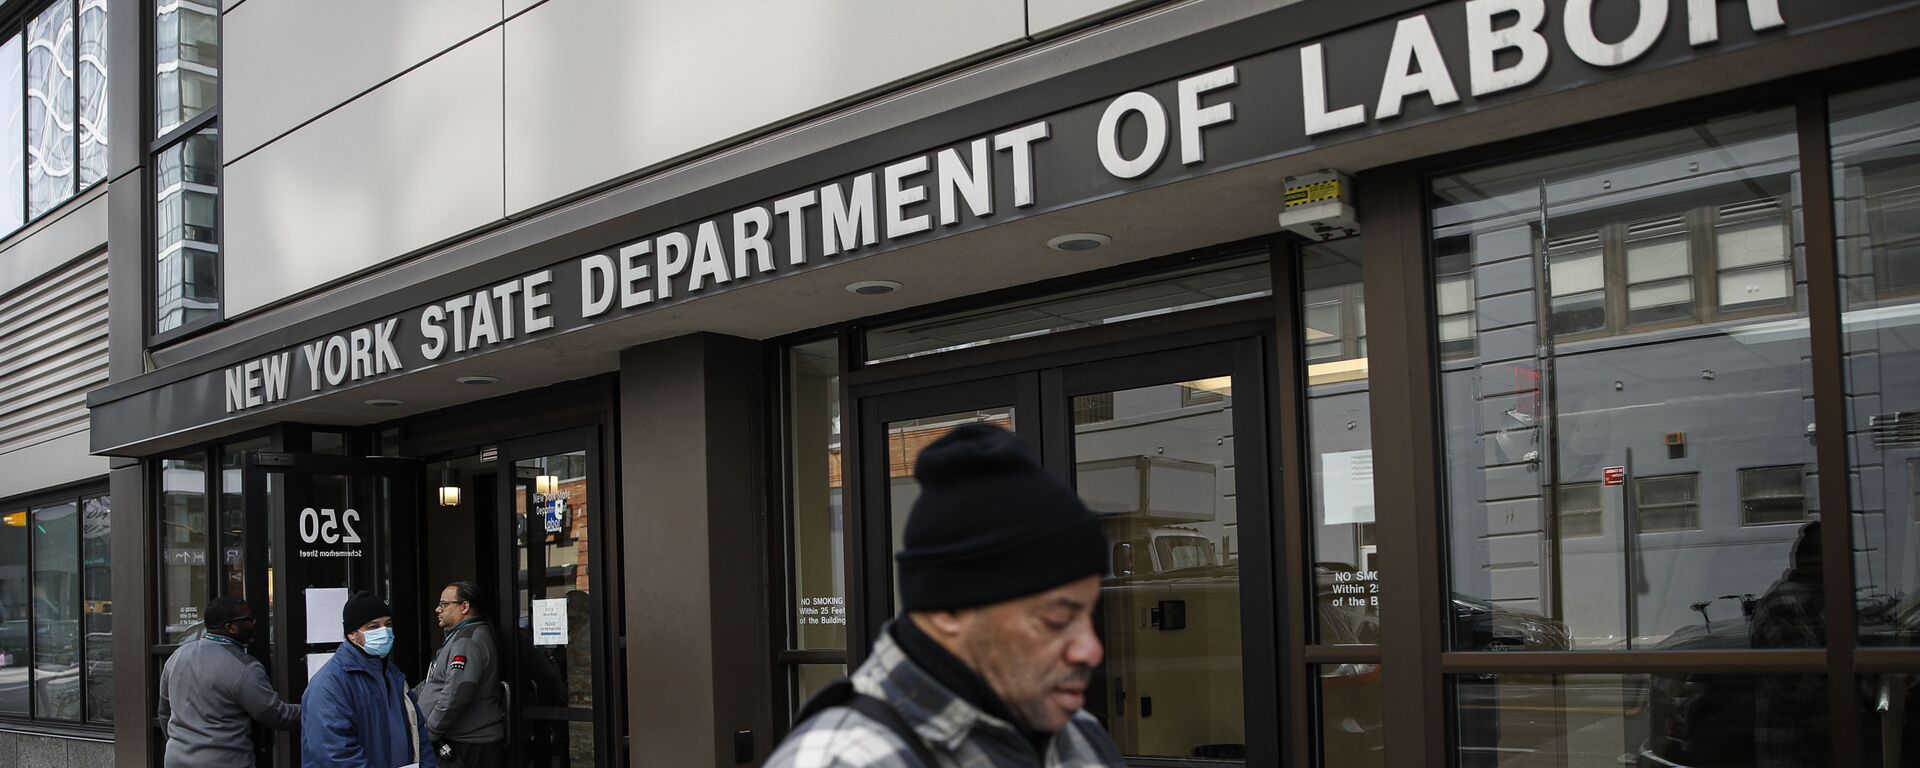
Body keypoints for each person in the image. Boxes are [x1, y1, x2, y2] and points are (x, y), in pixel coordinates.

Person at [767, 423, 1124, 767]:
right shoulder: (843, 759)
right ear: (948, 609)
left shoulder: (1078, 734)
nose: (1092, 650)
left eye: (1089, 616)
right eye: (1057, 619)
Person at [157, 596, 300, 767]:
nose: (254, 622)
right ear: (231, 627)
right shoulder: (244, 667)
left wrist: (181, 745)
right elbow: (276, 714)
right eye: (248, 619)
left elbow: (164, 713)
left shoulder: (178, 656)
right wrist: (319, 710)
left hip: (176, 761)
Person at [302, 591, 436, 768]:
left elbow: (418, 733)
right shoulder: (329, 685)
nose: (384, 632)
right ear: (351, 634)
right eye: (373, 627)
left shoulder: (392, 675)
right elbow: (336, 755)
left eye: (388, 624)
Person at [414, 581, 505, 767]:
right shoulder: (462, 636)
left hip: (469, 746)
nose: (437, 609)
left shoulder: (467, 641)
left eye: (444, 604)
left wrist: (429, 732)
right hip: (467, 743)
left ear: (464, 607)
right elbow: (438, 682)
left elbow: (455, 695)